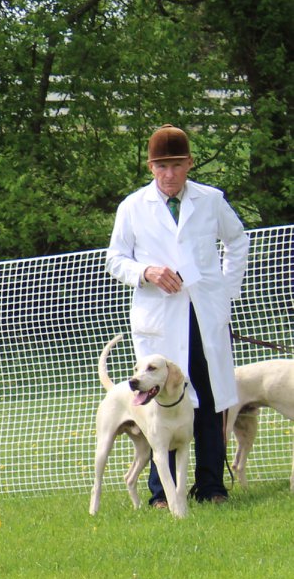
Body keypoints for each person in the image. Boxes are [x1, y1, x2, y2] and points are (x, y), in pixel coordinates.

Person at [106, 125, 249, 506]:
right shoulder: (133, 206)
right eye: (161, 166)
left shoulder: (211, 200)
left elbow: (237, 240)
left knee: (211, 398)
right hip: (160, 321)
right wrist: (146, 272)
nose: (169, 174)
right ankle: (162, 493)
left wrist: (225, 292)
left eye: (176, 165)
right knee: (161, 401)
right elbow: (115, 259)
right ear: (150, 167)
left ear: (189, 163)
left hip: (204, 316)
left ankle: (212, 486)